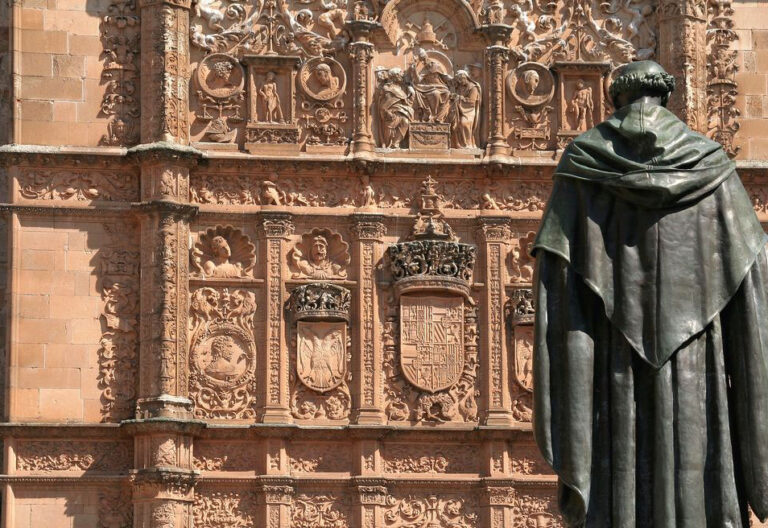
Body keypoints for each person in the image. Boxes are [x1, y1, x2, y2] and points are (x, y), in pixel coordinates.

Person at [533, 60, 768, 527]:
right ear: (665, 98)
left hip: (609, 366)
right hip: (698, 368)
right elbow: (753, 286)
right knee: (696, 472)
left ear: (616, 99)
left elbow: (555, 290)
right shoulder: (714, 170)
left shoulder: (582, 166)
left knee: (619, 480)